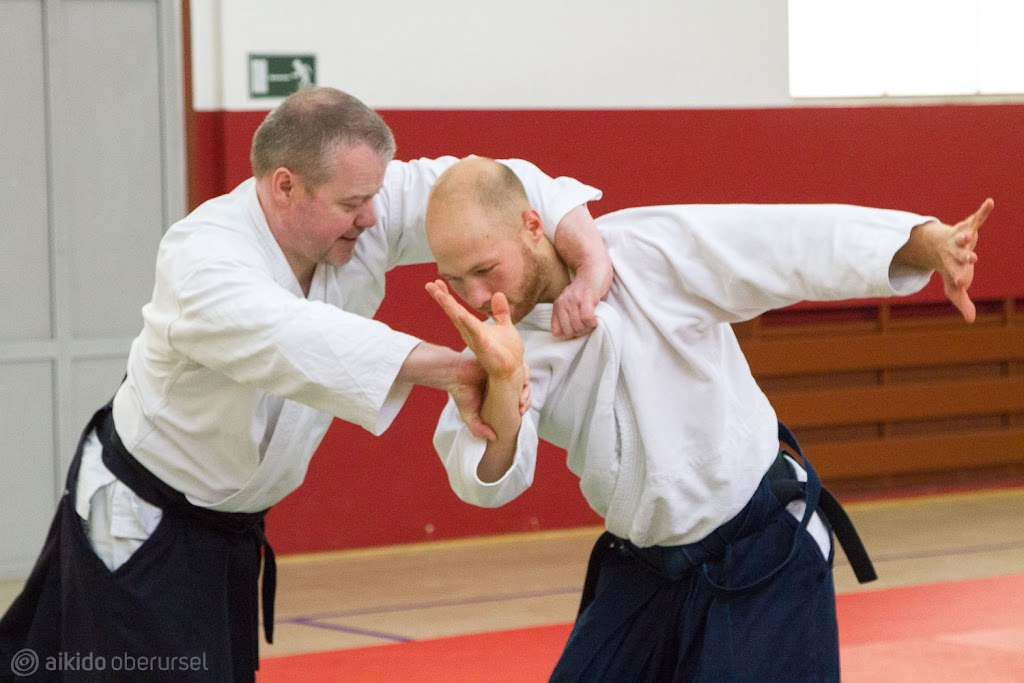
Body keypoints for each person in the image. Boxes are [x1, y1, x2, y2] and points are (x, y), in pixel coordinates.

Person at [0, 89, 611, 682]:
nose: (372, 217)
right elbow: (291, 336)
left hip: (229, 525)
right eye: (352, 204)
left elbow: (507, 187)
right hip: (137, 515)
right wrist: (456, 368)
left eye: (375, 195)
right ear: (285, 186)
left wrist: (590, 266)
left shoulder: (367, 205)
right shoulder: (202, 255)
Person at [423, 157, 992, 681]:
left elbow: (787, 246)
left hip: (761, 542)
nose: (475, 294)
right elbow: (488, 473)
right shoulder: (500, 344)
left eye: (485, 269)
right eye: (455, 280)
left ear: (530, 224)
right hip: (647, 566)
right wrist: (503, 377)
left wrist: (928, 244)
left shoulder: (644, 251)